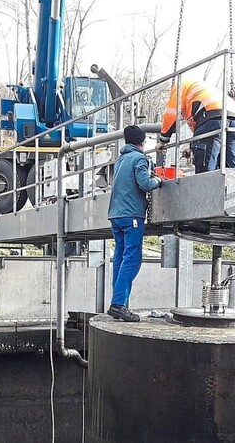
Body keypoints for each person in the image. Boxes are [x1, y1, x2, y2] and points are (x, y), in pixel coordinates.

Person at [106, 125, 163, 322]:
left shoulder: (120, 159)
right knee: (132, 259)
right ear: (142, 142)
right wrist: (159, 181)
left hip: (115, 215)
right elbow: (145, 183)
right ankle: (118, 304)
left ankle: (119, 302)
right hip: (131, 216)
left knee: (120, 258)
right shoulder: (139, 158)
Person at [157, 79, 235, 173]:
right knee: (231, 162)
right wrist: (192, 146)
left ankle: (208, 185)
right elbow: (200, 131)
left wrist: (163, 141)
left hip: (213, 114)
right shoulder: (201, 91)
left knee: (207, 166)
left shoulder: (179, 86)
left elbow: (171, 113)